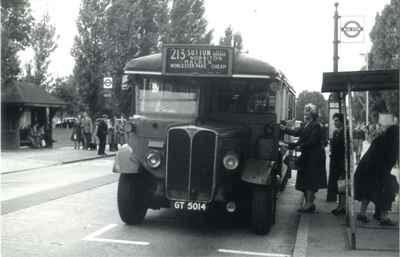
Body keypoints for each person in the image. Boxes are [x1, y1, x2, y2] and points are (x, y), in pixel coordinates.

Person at [280, 103, 327, 212]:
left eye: (307, 110)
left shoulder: (315, 125)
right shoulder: (307, 124)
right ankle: (309, 203)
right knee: (305, 180)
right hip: (308, 156)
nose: (305, 112)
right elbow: (297, 133)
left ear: (312, 113)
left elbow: (312, 141)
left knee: (310, 180)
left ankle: (309, 204)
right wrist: (284, 128)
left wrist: (298, 146)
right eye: (305, 110)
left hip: (314, 157)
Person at [354, 124, 399, 225]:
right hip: (375, 169)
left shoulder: (381, 139)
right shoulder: (391, 142)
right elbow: (386, 162)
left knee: (368, 190)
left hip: (365, 169)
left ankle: (362, 213)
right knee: (389, 189)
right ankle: (384, 217)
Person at [328, 113, 347, 215]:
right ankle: (340, 205)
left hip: (342, 162)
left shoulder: (345, 132)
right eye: (334, 120)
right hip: (335, 162)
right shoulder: (335, 132)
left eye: (336, 120)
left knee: (342, 185)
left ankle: (342, 206)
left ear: (341, 121)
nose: (335, 122)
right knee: (339, 185)